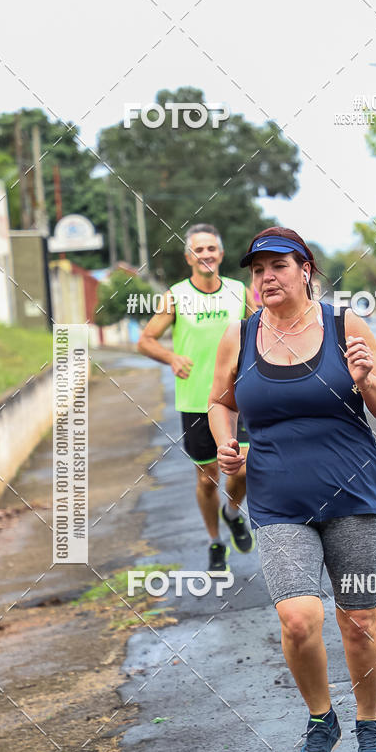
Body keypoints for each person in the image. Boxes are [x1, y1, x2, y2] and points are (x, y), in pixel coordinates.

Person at [208, 227, 376, 752]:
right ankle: (322, 718)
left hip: (355, 496)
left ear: (305, 269)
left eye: (278, 266)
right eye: (257, 269)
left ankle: (369, 723)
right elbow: (220, 402)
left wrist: (365, 381)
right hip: (277, 500)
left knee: (359, 619)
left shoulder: (345, 326)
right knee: (298, 619)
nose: (266, 277)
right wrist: (226, 441)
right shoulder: (240, 335)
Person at [138, 223, 256, 573]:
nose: (205, 254)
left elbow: (262, 329)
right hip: (195, 402)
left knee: (245, 468)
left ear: (220, 254)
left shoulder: (239, 291)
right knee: (208, 479)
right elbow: (145, 340)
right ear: (189, 256)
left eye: (211, 248)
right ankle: (215, 541)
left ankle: (232, 512)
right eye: (198, 249)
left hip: (238, 398)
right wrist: (172, 358)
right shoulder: (175, 295)